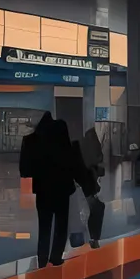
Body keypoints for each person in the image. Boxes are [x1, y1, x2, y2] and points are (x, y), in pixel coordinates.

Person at [19, 113, 93, 268]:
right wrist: (89, 188)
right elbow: (78, 169)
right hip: (62, 190)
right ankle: (56, 257)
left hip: (42, 191)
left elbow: (24, 170)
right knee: (61, 225)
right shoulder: (67, 145)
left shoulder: (31, 142)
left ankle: (42, 259)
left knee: (44, 226)